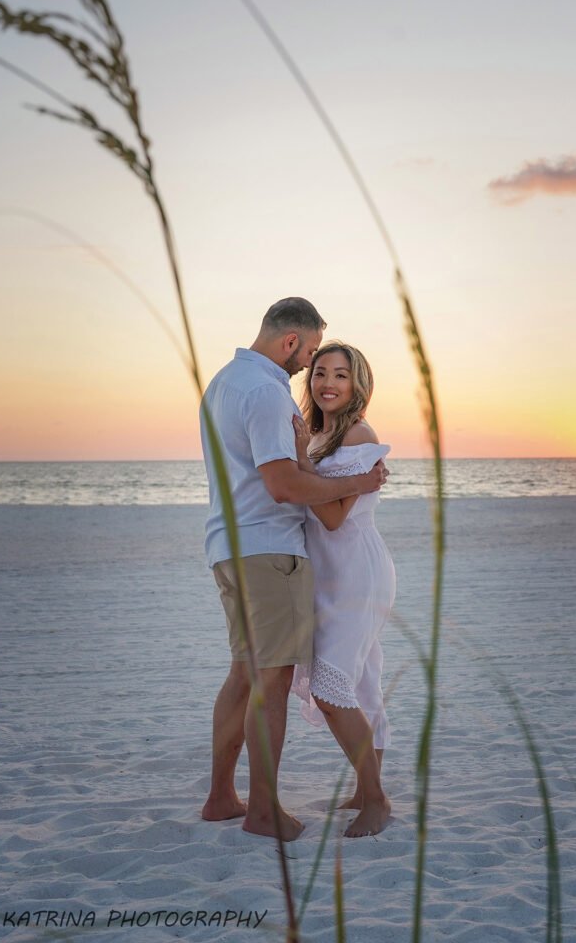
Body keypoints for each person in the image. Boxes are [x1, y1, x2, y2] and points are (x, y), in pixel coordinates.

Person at [199, 299, 388, 842]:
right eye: (311, 357)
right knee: (272, 682)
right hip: (269, 551)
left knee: (245, 673)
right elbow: (284, 485)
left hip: (232, 545)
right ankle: (261, 809)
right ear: (291, 343)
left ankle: (221, 798)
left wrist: (323, 467)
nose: (309, 369)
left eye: (334, 371)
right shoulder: (265, 391)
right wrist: (357, 482)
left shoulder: (223, 382)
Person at [292, 341, 395, 838]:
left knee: (331, 687)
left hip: (356, 569)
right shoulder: (319, 436)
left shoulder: (357, 433)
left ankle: (376, 800)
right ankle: (363, 788)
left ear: (358, 384)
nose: (327, 383)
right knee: (363, 681)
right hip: (329, 573)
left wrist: (299, 465)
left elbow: (332, 518)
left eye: (340, 375)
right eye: (319, 373)